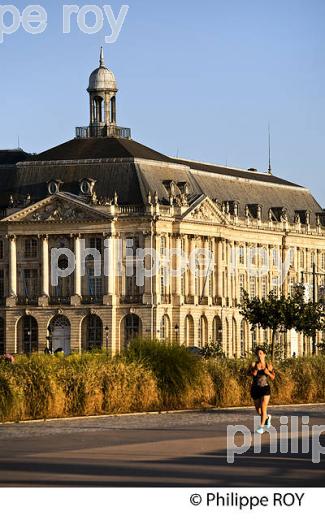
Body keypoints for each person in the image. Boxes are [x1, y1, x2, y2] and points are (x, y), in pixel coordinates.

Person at [249, 347, 275, 434]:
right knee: (258, 410)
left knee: (264, 408)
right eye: (257, 354)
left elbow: (273, 377)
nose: (259, 355)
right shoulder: (253, 364)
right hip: (255, 388)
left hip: (265, 389)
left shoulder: (268, 365)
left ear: (264, 354)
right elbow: (250, 374)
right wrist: (254, 370)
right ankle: (267, 418)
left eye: (260, 353)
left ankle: (261, 427)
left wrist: (268, 373)